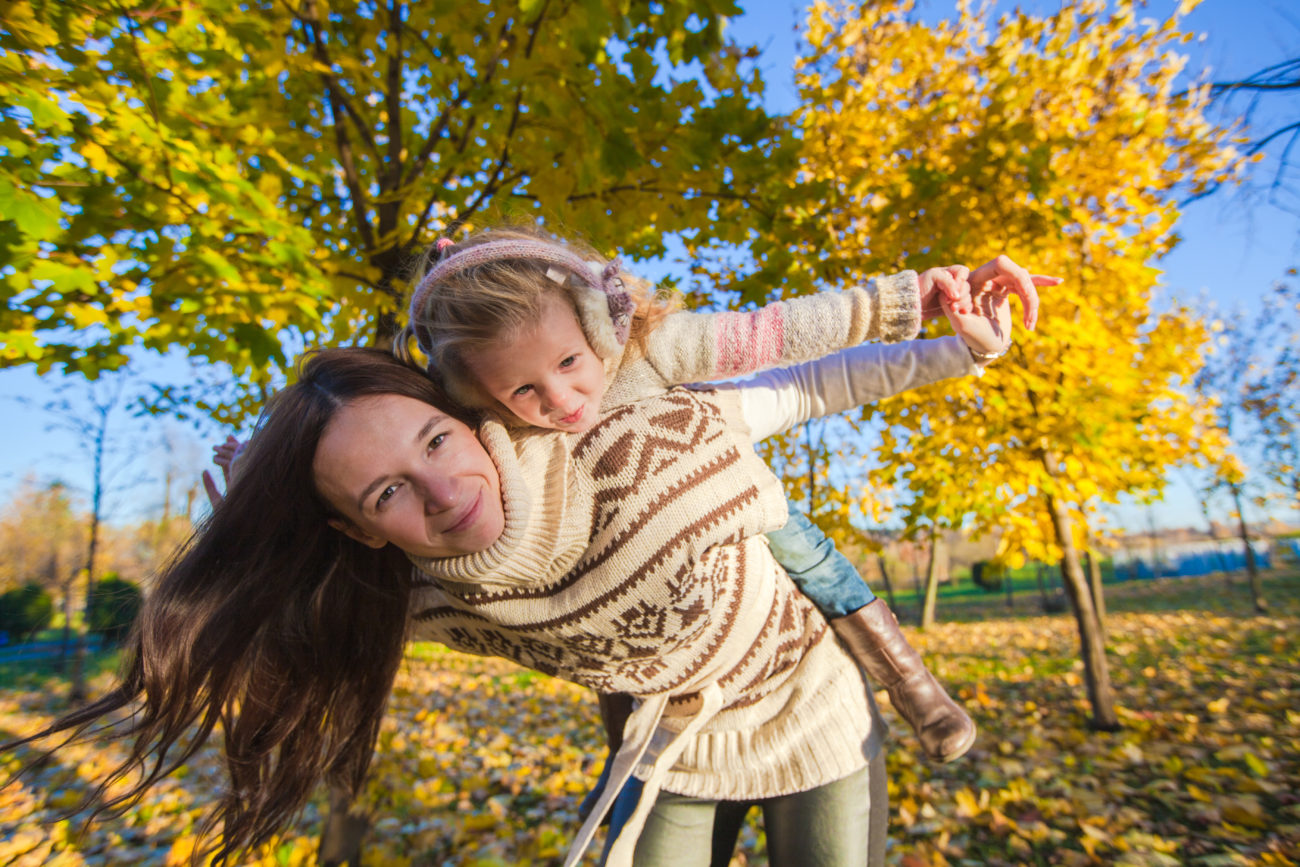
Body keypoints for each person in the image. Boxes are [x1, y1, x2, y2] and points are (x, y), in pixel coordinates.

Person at [398, 225, 1049, 766]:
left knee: (803, 545)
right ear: (483, 400)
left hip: (726, 512)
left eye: (569, 363)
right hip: (617, 605)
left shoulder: (649, 356)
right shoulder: (506, 447)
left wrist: (905, 302)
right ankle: (627, 749)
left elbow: (774, 335)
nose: (562, 403)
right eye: (523, 392)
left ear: (598, 322)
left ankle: (911, 681)